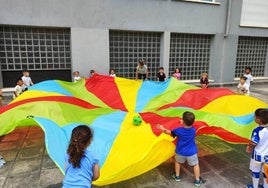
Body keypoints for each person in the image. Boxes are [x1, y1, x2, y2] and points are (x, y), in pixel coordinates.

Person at [157, 111, 203, 186]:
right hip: (192, 153)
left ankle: (177, 176)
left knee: (178, 162)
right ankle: (197, 181)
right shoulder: (194, 130)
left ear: (183, 121)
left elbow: (170, 132)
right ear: (193, 122)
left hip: (180, 152)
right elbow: (189, 125)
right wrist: (184, 122)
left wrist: (162, 128)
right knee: (195, 165)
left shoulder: (178, 130)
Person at [246, 108, 268, 188]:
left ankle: (255, 186)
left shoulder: (257, 130)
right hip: (267, 157)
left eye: (254, 117)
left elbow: (254, 142)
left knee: (255, 171)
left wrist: (249, 147)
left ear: (258, 120)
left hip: (257, 157)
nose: (254, 118)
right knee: (266, 172)